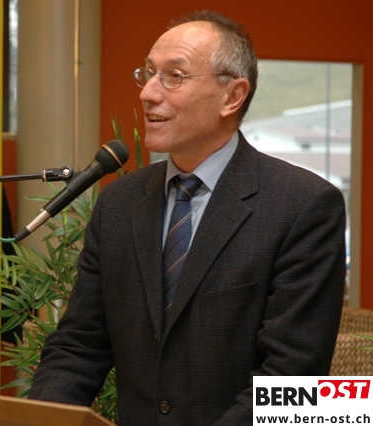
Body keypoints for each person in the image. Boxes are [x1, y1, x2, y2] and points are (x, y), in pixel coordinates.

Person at [27, 9, 347, 425]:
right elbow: (78, 347)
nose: (148, 93)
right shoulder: (119, 202)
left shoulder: (303, 205)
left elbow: (291, 377)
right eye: (148, 73)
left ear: (232, 96)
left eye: (174, 76)